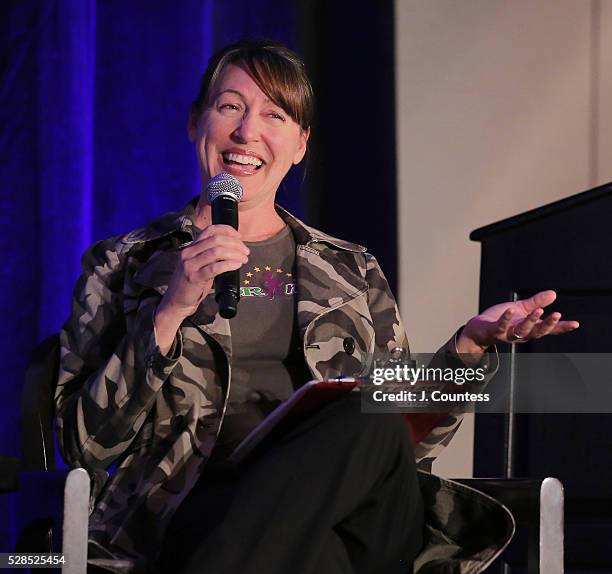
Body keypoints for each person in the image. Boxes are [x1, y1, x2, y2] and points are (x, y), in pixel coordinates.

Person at [54, 40, 579, 574]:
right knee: (321, 553)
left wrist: (470, 348)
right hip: (197, 512)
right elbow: (83, 446)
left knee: (370, 420)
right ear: (196, 122)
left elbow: (409, 450)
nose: (247, 133)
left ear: (301, 144)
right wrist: (168, 313)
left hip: (359, 515)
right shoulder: (124, 264)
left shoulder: (352, 270)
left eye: (274, 115)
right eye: (230, 106)